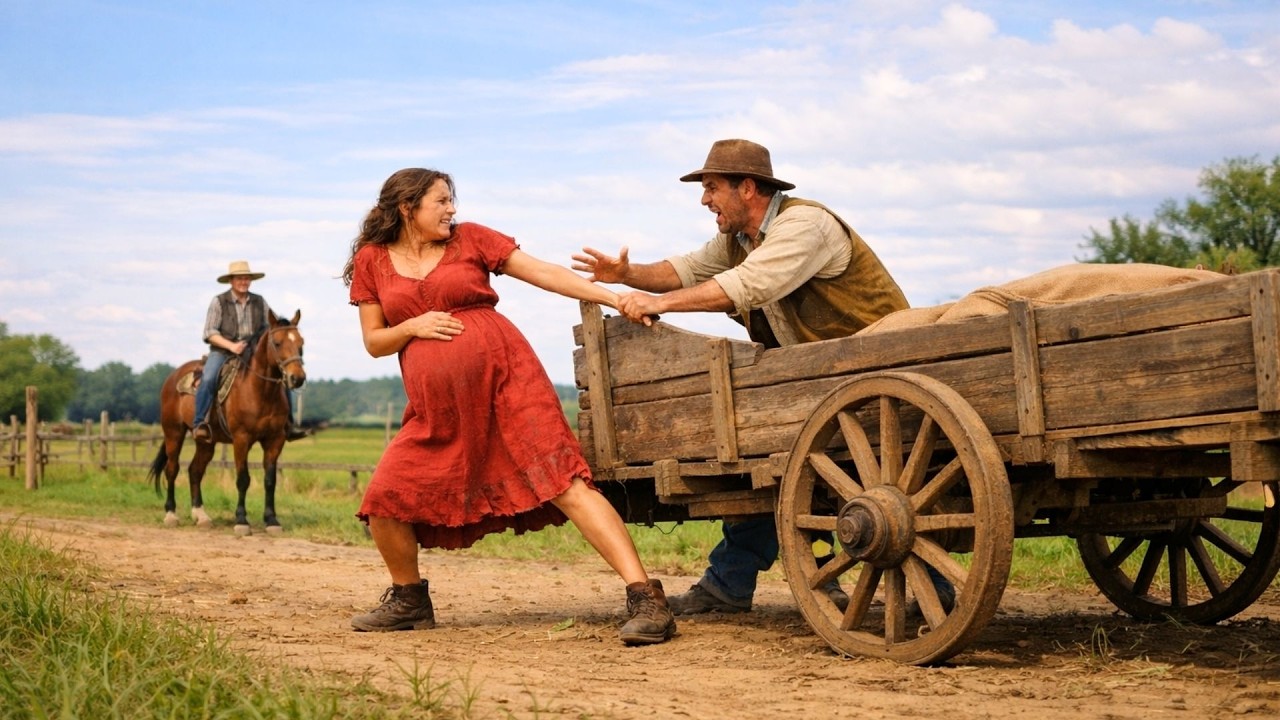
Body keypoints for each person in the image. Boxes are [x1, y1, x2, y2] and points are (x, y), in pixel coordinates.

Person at [572, 138, 954, 616]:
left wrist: (659, 304)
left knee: (876, 477)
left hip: (878, 370)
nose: (704, 200)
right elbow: (685, 270)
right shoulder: (738, 241)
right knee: (772, 462)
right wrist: (627, 273)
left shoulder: (804, 225)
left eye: (712, 188)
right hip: (824, 378)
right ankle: (727, 584)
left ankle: (933, 586)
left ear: (747, 188)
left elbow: (746, 286)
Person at [340, 168, 676, 646]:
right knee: (386, 496)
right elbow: (375, 341)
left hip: (508, 382)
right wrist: (412, 327)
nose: (452, 210)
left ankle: (646, 598)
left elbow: (545, 273)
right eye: (441, 201)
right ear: (406, 208)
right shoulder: (372, 260)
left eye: (451, 201)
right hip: (439, 412)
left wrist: (613, 296)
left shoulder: (473, 240)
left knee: (564, 481)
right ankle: (410, 599)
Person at [193, 261, 308, 443]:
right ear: (231, 280)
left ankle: (288, 424)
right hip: (223, 351)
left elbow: (274, 324)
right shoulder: (219, 301)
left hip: (252, 351)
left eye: (246, 278)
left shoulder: (259, 301)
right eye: (239, 278)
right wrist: (231, 346)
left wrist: (288, 328)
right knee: (208, 378)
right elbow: (210, 332)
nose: (243, 282)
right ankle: (200, 422)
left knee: (281, 377)